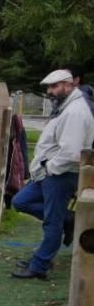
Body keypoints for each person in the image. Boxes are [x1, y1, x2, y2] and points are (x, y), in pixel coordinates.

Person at [10, 69, 94, 279]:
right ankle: (69, 219)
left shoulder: (75, 111)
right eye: (49, 87)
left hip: (60, 175)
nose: (50, 91)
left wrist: (50, 169)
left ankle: (39, 266)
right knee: (21, 201)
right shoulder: (65, 107)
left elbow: (71, 152)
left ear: (69, 85)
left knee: (51, 223)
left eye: (55, 86)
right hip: (49, 173)